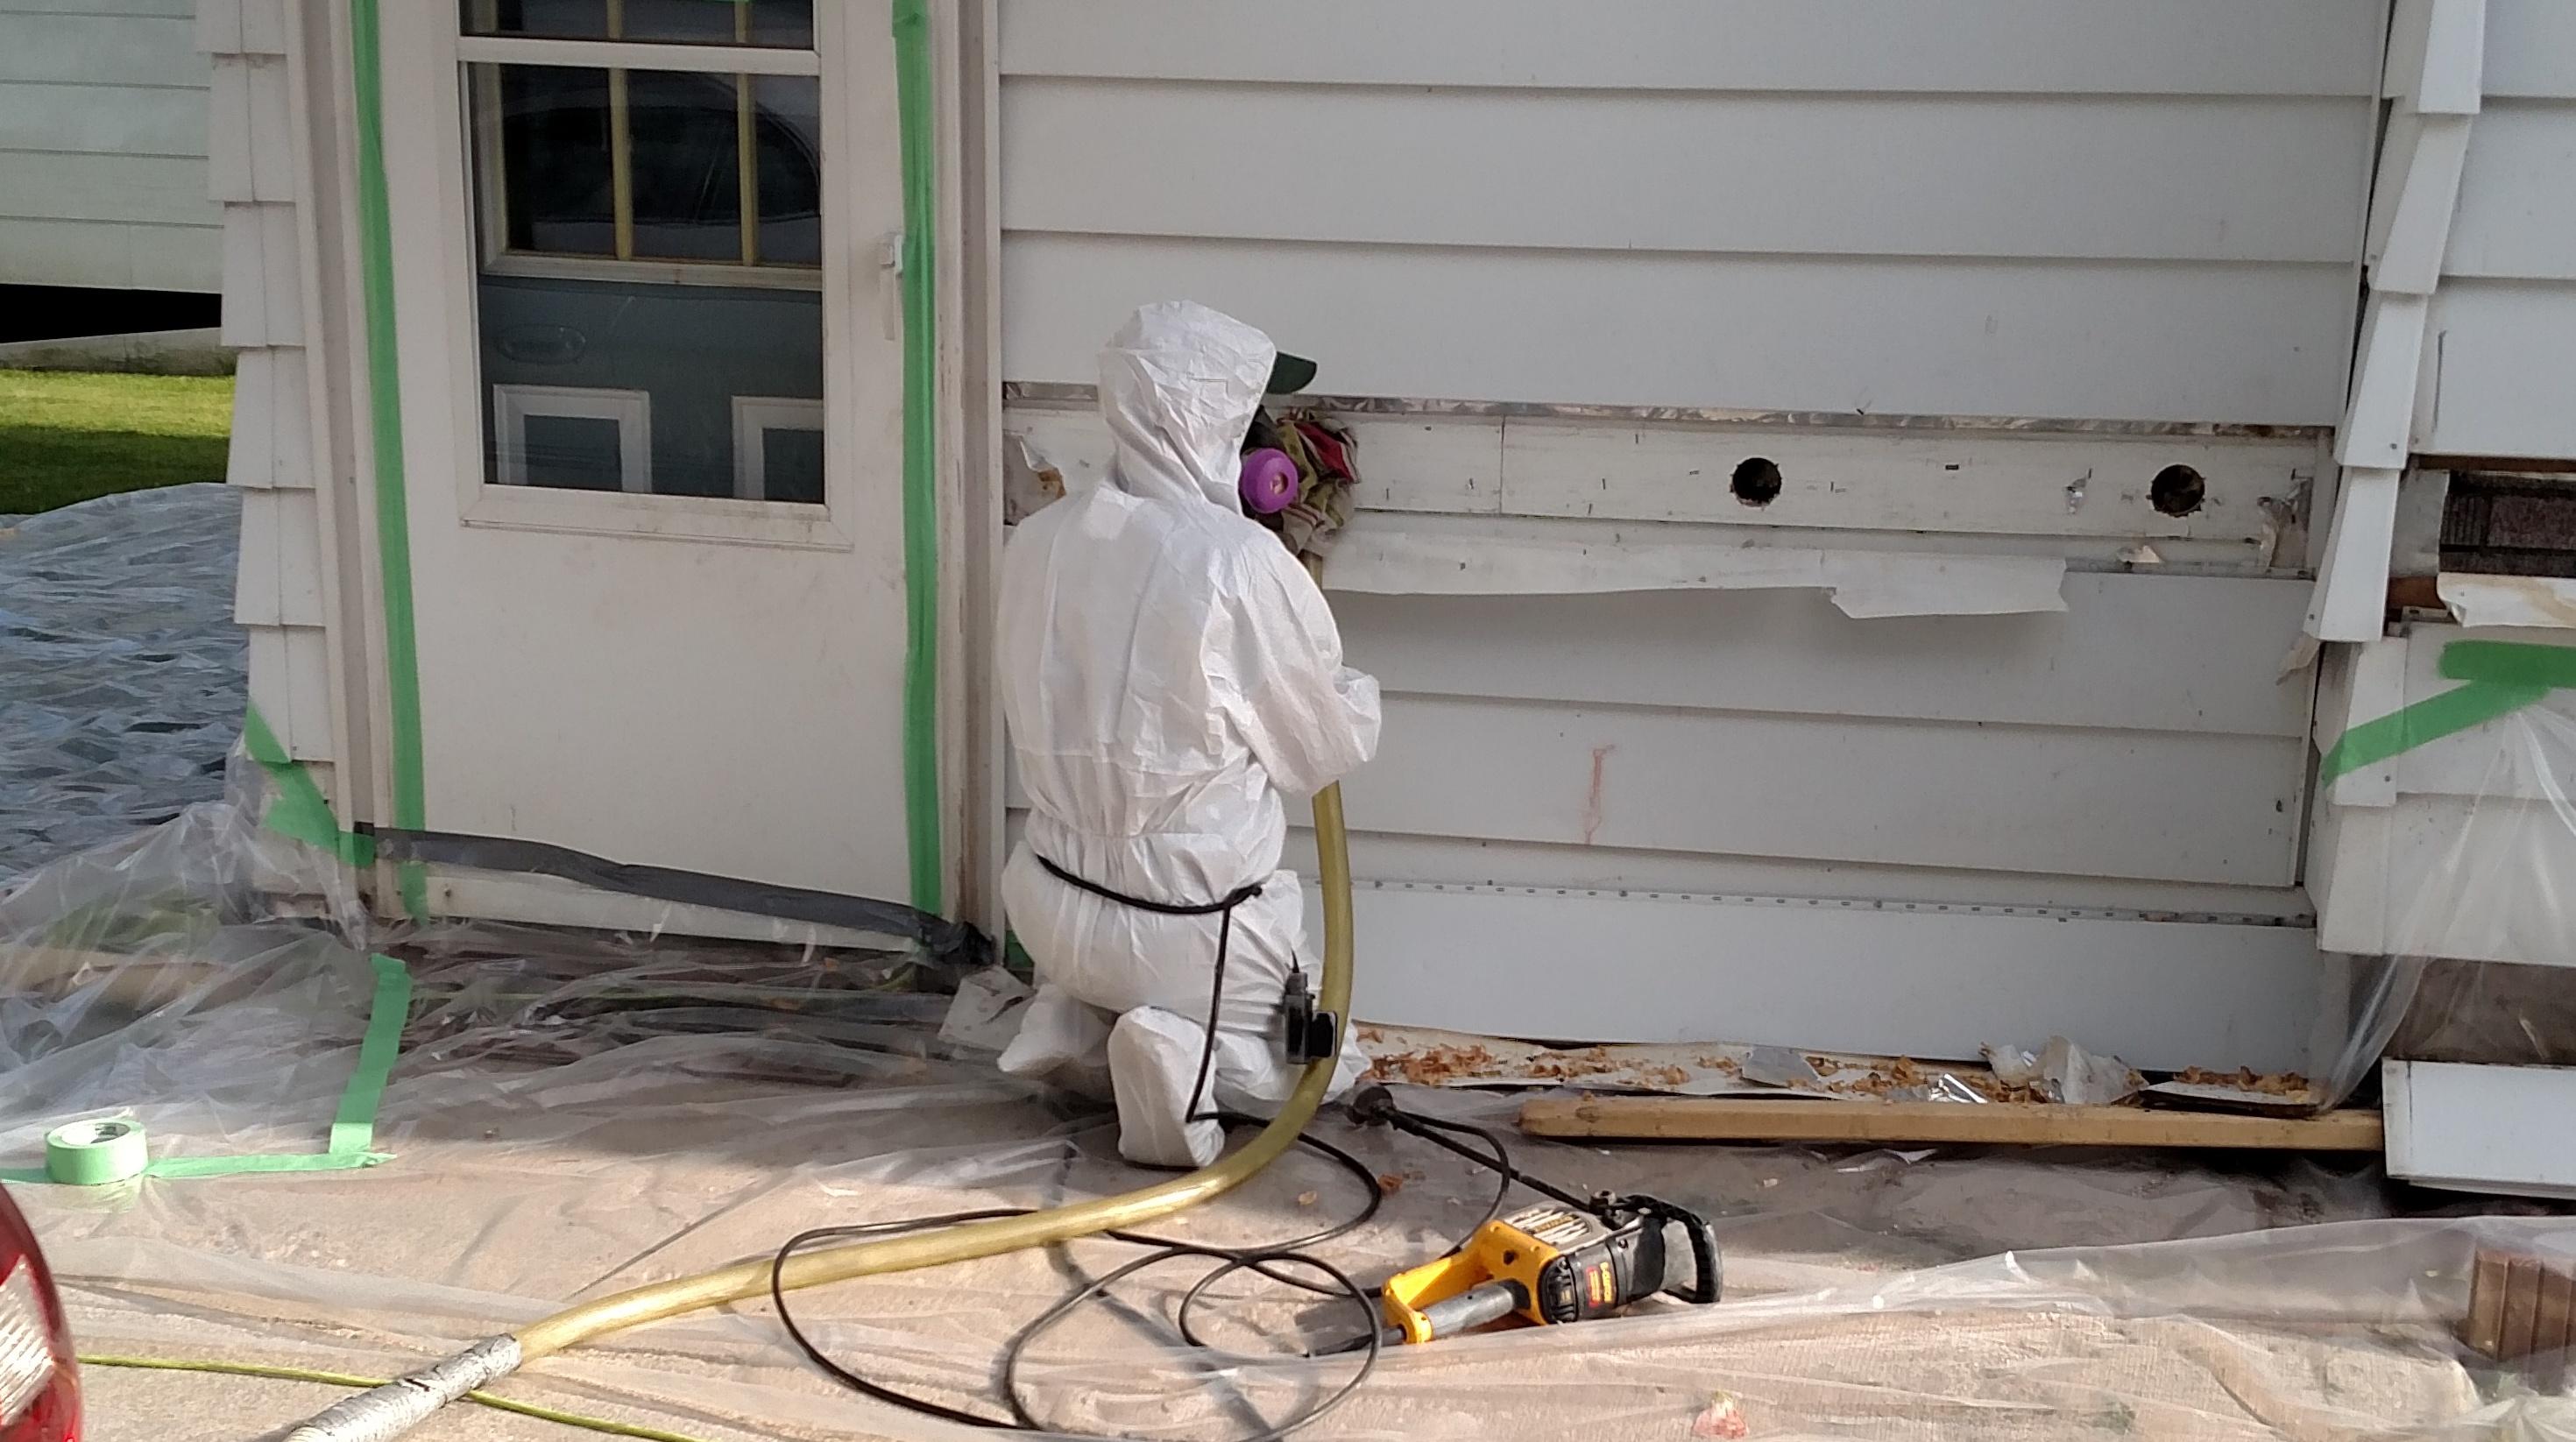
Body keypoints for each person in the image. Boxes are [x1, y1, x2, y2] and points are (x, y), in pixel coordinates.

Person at [994, 300, 1381, 1168]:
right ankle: (1191, 1056)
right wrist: (1341, 673)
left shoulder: (1039, 540)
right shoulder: (1239, 563)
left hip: (1047, 902)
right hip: (1204, 931)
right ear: (1215, 421)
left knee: (1104, 960)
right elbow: (1320, 750)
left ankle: (1071, 1021)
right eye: (1250, 415)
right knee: (1325, 1045)